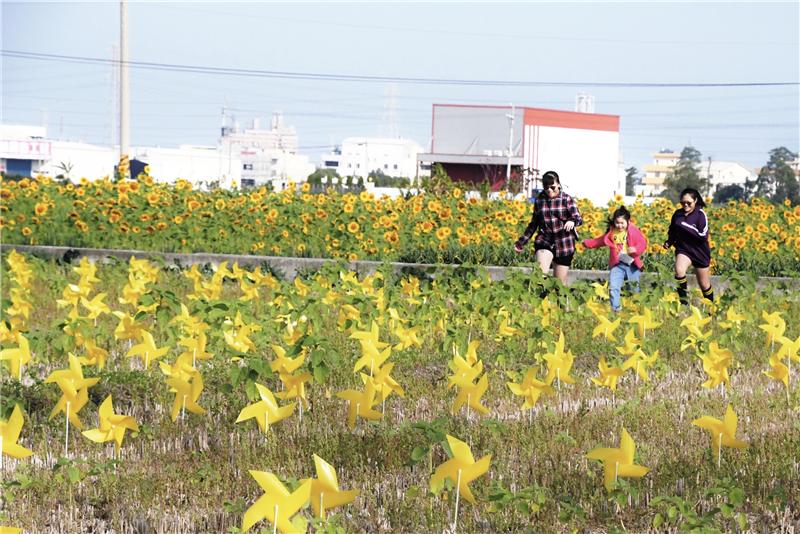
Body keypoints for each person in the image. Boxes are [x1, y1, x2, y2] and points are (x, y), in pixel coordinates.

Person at [514, 171, 583, 285]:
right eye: (546, 188)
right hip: (544, 239)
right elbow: (533, 224)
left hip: (564, 242)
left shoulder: (566, 199)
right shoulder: (540, 200)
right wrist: (521, 242)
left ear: (559, 185)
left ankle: (559, 302)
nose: (550, 190)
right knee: (539, 277)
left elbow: (578, 218)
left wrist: (572, 221)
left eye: (553, 187)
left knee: (559, 284)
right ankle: (539, 300)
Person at [582, 206, 648, 312]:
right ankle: (616, 310)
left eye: (622, 223)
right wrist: (587, 243)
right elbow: (599, 241)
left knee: (634, 289)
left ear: (628, 221)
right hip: (617, 265)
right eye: (617, 222)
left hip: (632, 265)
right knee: (613, 288)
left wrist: (635, 249)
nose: (620, 225)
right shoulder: (611, 233)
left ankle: (637, 310)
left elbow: (643, 243)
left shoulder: (633, 231)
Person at [663, 187, 713, 304]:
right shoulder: (677, 214)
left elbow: (703, 235)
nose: (685, 205)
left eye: (688, 203)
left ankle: (711, 309)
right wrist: (669, 241)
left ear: (695, 201)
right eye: (682, 202)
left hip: (700, 252)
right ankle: (684, 303)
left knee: (704, 284)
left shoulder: (701, 215)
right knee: (679, 270)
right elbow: (673, 230)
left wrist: (685, 225)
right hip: (684, 249)